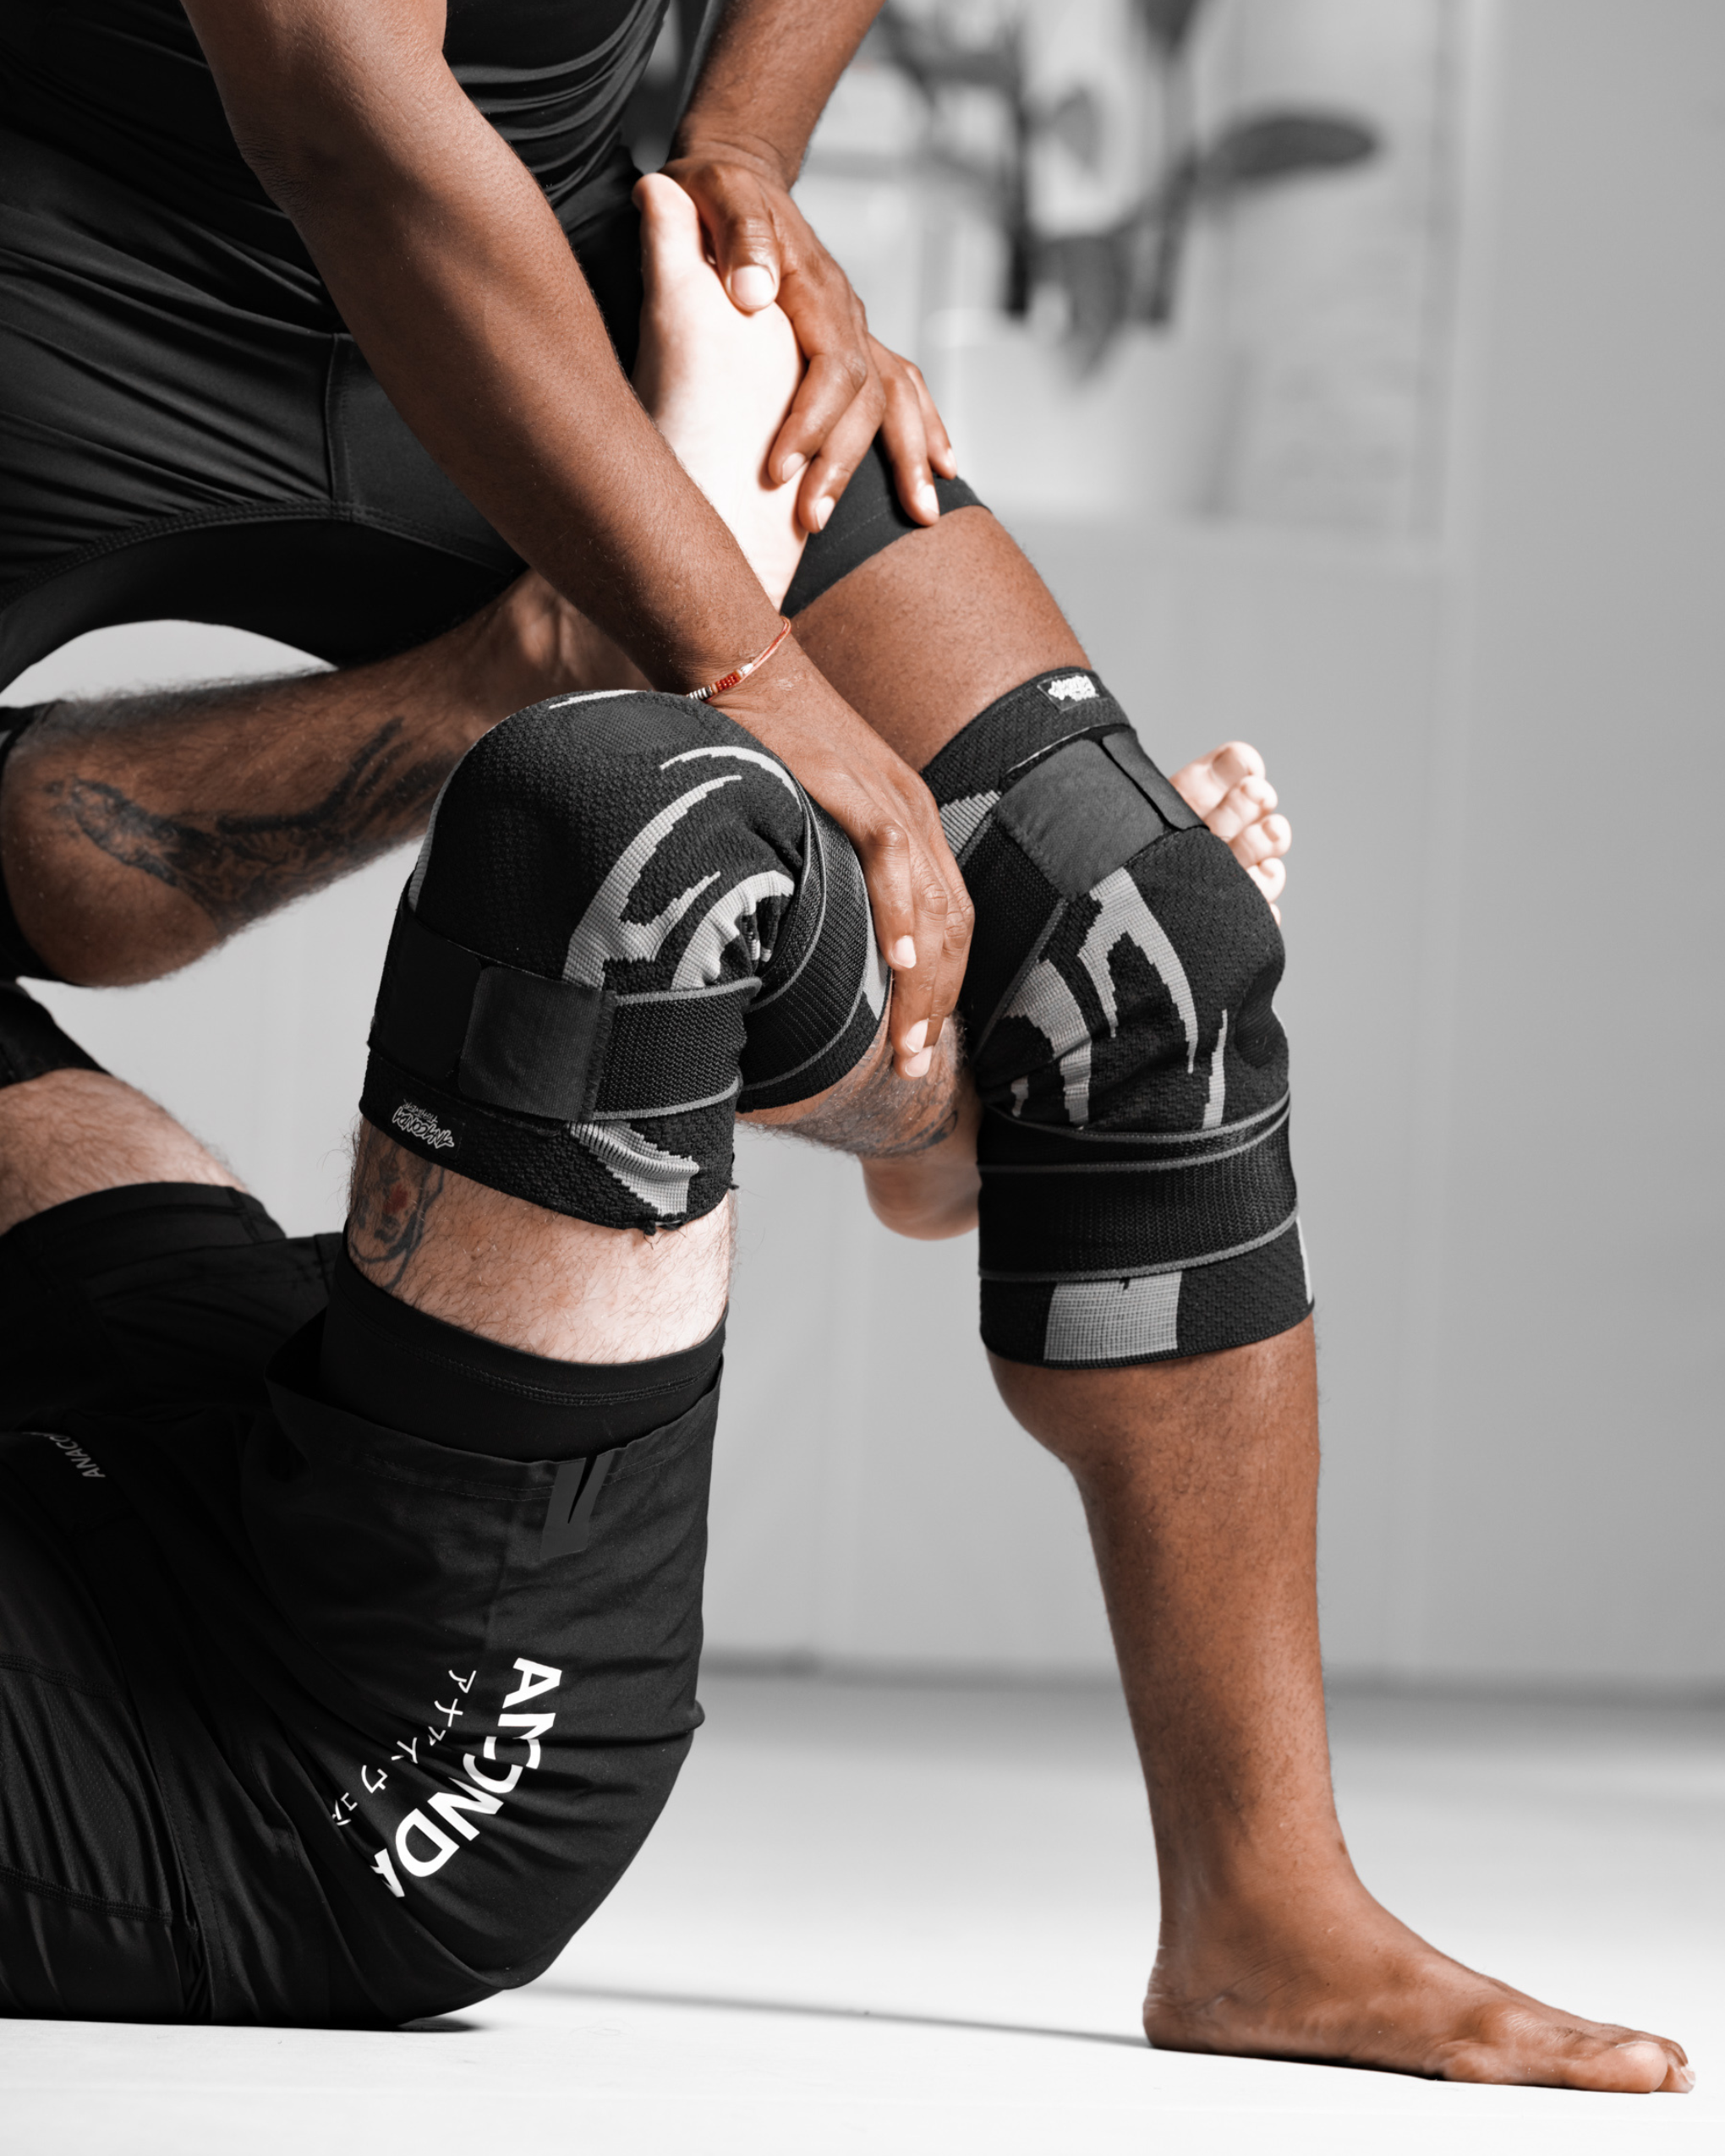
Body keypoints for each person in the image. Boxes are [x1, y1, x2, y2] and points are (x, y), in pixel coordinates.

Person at [0, 3, 1691, 2090]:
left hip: (558, 237)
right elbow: (338, 103)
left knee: (1137, 946)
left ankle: (1269, 1909)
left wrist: (744, 155)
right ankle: (864, 1057)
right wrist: (745, 661)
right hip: (80, 272)